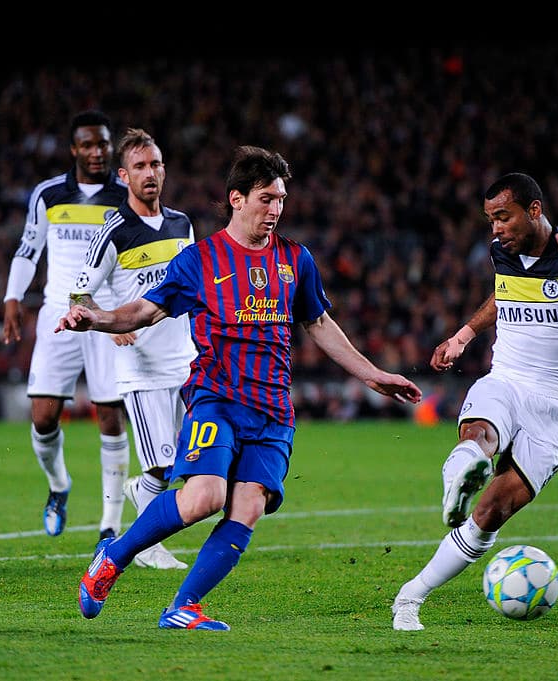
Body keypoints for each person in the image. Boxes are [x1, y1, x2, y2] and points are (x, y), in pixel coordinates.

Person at [57, 145, 422, 630]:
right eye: (266, 199)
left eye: (281, 200)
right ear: (236, 199)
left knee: (247, 506)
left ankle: (183, 606)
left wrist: (372, 373)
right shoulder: (200, 260)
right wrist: (96, 318)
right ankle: (113, 557)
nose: (275, 210)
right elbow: (143, 311)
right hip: (217, 398)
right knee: (205, 497)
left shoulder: (296, 260)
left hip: (272, 410)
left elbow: (318, 322)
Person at [391, 172, 558, 631]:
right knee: (481, 431)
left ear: (533, 210)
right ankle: (462, 472)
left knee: (490, 513)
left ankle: (411, 594)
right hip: (508, 379)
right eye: (490, 218)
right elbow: (503, 294)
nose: (495, 228)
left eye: (503, 216)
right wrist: (462, 335)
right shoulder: (505, 253)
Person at [69, 128, 195, 570]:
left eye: (155, 164)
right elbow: (80, 296)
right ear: (123, 176)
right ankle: (149, 547)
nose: (150, 173)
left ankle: (140, 496)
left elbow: (193, 289)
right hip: (141, 369)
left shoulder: (183, 225)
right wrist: (109, 323)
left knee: (185, 466)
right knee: (161, 469)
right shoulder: (114, 231)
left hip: (186, 364)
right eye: (140, 167)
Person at [3, 110, 131, 542]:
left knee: (110, 415)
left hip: (106, 313)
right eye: (89, 144)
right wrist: (12, 298)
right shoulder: (50, 194)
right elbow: (28, 250)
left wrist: (131, 314)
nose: (98, 152)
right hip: (59, 311)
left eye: (104, 144)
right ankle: (59, 485)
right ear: (74, 149)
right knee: (43, 417)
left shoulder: (124, 195)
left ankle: (110, 524)